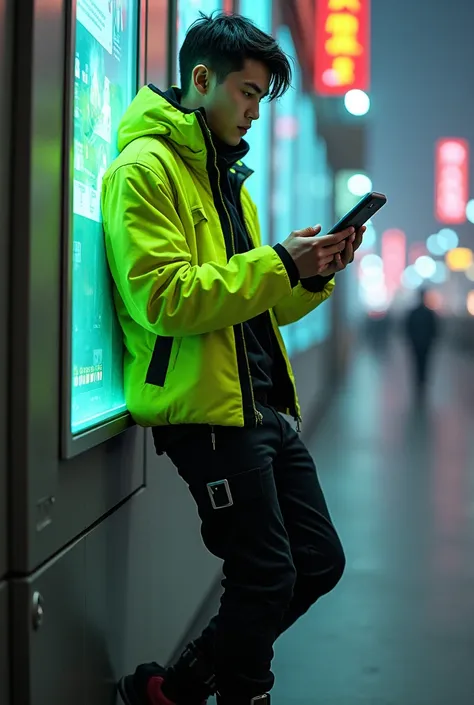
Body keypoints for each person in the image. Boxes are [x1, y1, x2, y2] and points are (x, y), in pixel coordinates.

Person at [101, 12, 365, 705]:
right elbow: (167, 297)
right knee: (267, 572)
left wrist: (306, 273)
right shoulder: (144, 170)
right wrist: (278, 259)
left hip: (263, 405)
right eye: (246, 93)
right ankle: (237, 692)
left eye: (258, 97)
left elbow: (254, 306)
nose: (252, 110)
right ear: (201, 80)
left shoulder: (227, 182)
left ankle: (176, 688)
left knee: (318, 561)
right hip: (209, 413)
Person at [404, 288, 439, 395]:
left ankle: (418, 381)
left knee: (417, 362)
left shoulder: (413, 313)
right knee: (425, 362)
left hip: (416, 343)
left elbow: (407, 328)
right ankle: (422, 381)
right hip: (426, 343)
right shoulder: (429, 313)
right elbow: (434, 329)